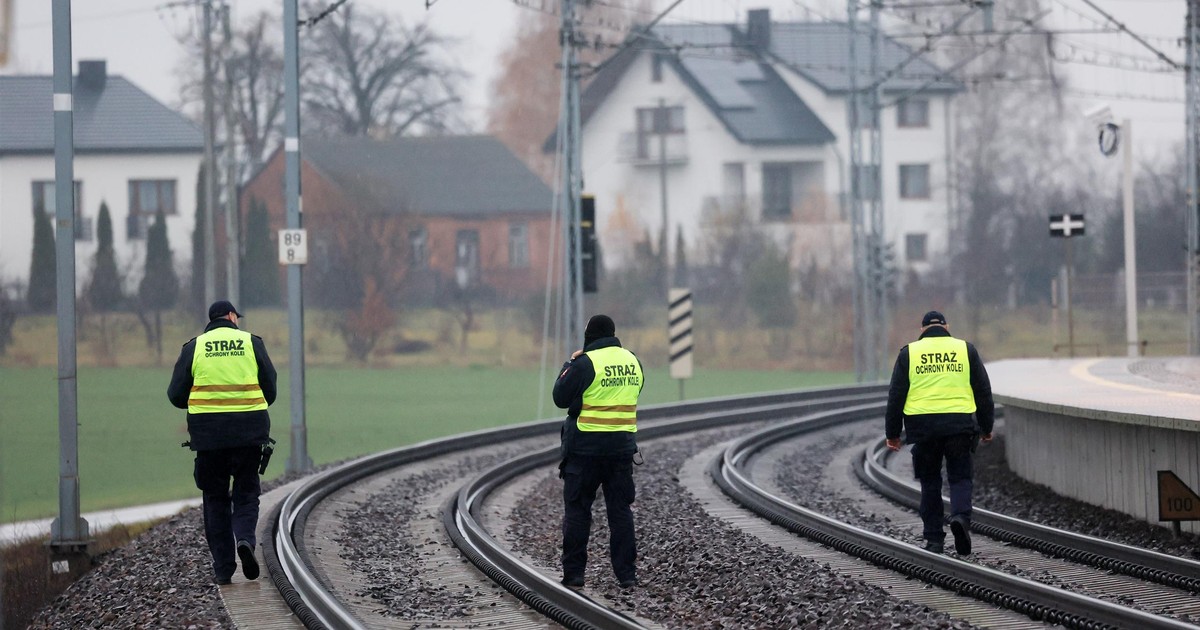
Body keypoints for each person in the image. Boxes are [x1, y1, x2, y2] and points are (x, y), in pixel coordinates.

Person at [168, 300, 277, 585]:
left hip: (209, 438)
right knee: (246, 492)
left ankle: (223, 567)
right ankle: (245, 541)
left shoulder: (195, 347)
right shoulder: (251, 342)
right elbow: (271, 389)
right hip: (249, 435)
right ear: (230, 316)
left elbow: (176, 395)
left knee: (215, 498)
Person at [884, 310, 994, 556]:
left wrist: (892, 433)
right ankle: (960, 519)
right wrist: (987, 427)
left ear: (922, 329)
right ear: (946, 326)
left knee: (930, 483)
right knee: (960, 478)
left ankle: (934, 539)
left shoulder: (909, 354)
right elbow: (983, 392)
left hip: (923, 430)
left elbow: (896, 396)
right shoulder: (966, 350)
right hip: (959, 427)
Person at [552, 314, 643, 589]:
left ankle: (575, 575)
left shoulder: (584, 364)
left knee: (578, 512)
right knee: (620, 512)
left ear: (589, 338)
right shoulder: (633, 361)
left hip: (585, 452)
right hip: (620, 452)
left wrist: (571, 362)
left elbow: (560, 397)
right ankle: (627, 575)